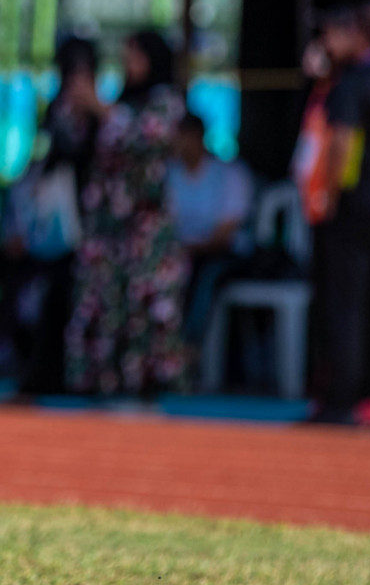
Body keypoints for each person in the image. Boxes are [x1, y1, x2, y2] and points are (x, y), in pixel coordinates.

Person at [64, 30, 189, 397]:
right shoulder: (119, 99)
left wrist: (99, 108)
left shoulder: (164, 101)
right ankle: (100, 378)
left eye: (132, 56)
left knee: (147, 308)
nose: (126, 64)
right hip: (105, 226)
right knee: (100, 304)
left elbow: (146, 137)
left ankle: (150, 381)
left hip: (145, 229)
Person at [316, 0, 370, 427]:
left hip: (361, 203)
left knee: (348, 306)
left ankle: (342, 401)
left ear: (361, 34)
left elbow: (342, 144)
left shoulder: (355, 82)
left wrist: (329, 196)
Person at [5, 35, 99, 395]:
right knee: (38, 298)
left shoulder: (99, 112)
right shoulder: (55, 110)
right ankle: (36, 373)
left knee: (72, 301)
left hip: (86, 225)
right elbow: (40, 162)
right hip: (52, 226)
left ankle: (75, 377)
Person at [166, 113, 253, 349]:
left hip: (224, 254)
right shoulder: (169, 174)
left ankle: (189, 348)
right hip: (181, 253)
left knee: (205, 273)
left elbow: (224, 235)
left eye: (181, 137)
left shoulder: (230, 174)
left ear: (197, 137)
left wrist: (189, 248)